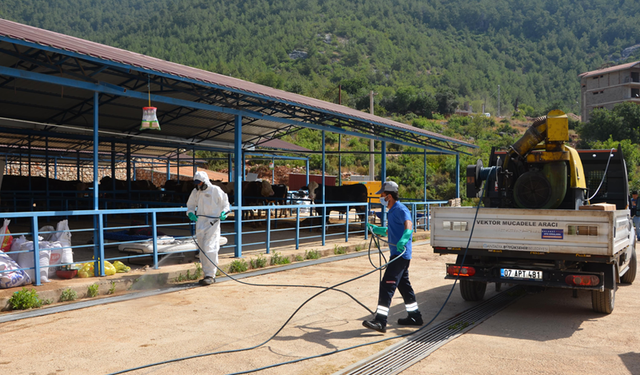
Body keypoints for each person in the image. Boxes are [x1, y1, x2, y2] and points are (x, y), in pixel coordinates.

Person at [363, 181, 422, 333]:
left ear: (389, 196)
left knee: (387, 286)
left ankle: (380, 321)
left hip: (400, 255)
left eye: (382, 196)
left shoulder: (401, 209)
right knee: (404, 286)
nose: (380, 198)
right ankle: (415, 316)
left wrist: (404, 238)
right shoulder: (392, 210)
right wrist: (378, 229)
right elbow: (392, 231)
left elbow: (408, 226)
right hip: (397, 255)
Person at [186, 171, 230, 286]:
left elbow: (226, 204)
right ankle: (206, 274)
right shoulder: (196, 192)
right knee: (202, 249)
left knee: (210, 248)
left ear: (205, 181)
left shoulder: (216, 190)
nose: (198, 186)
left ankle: (211, 275)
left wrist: (224, 213)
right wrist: (190, 213)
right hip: (200, 222)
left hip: (213, 222)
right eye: (196, 184)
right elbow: (190, 205)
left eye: (200, 183)